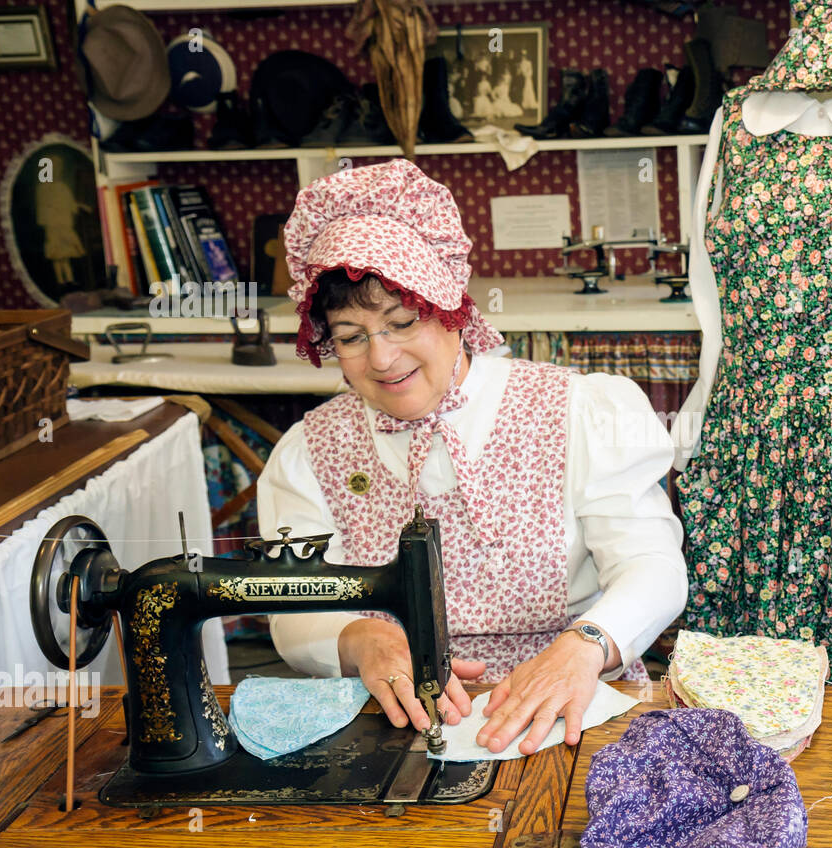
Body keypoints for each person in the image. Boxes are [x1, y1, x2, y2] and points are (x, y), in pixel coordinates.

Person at [259, 158, 687, 754]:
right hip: (393, 715)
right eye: (351, 336)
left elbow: (654, 566)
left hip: (574, 705)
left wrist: (585, 644)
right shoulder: (308, 453)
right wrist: (359, 641)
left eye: (402, 322)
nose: (381, 359)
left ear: (453, 311)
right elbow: (292, 606)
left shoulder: (578, 411)